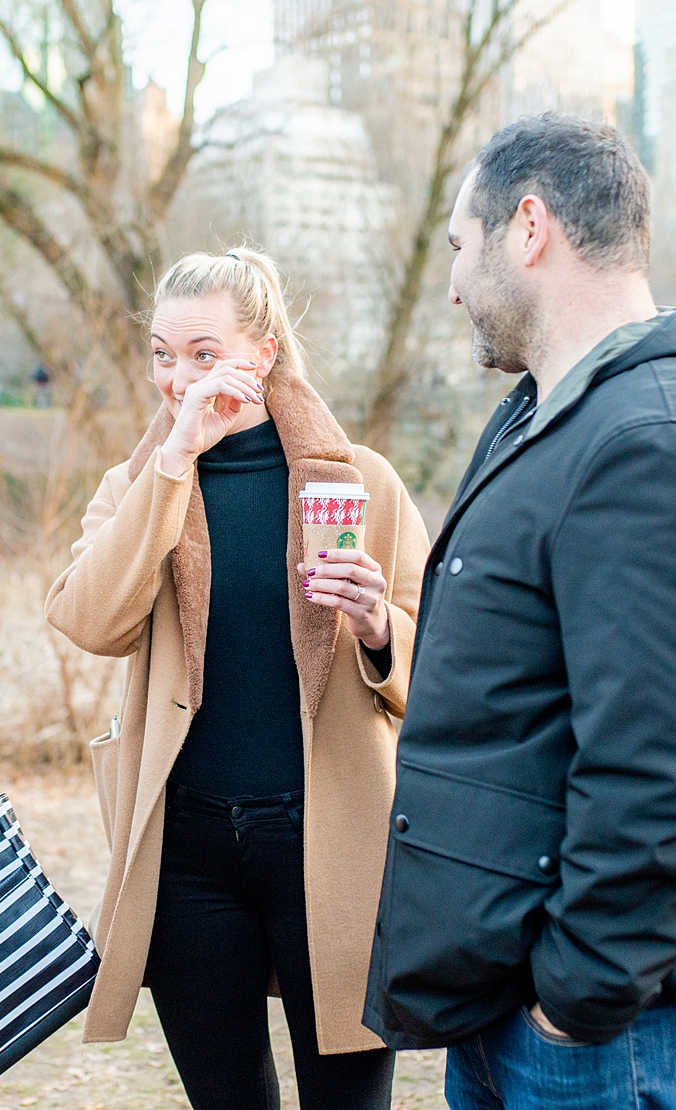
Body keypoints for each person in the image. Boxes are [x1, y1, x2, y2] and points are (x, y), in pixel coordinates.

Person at [365, 114, 676, 1108]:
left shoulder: (662, 440)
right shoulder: (548, 418)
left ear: (526, 227)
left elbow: (664, 770)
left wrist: (573, 1001)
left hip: (614, 1034)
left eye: (457, 246)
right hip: (516, 1002)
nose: (448, 286)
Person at [47, 248, 430, 1110]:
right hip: (187, 854)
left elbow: (444, 666)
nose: (177, 377)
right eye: (161, 354)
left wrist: (376, 627)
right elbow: (86, 619)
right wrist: (173, 460)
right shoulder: (137, 487)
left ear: (261, 352)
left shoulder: (360, 481)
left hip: (330, 843)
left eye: (203, 354)